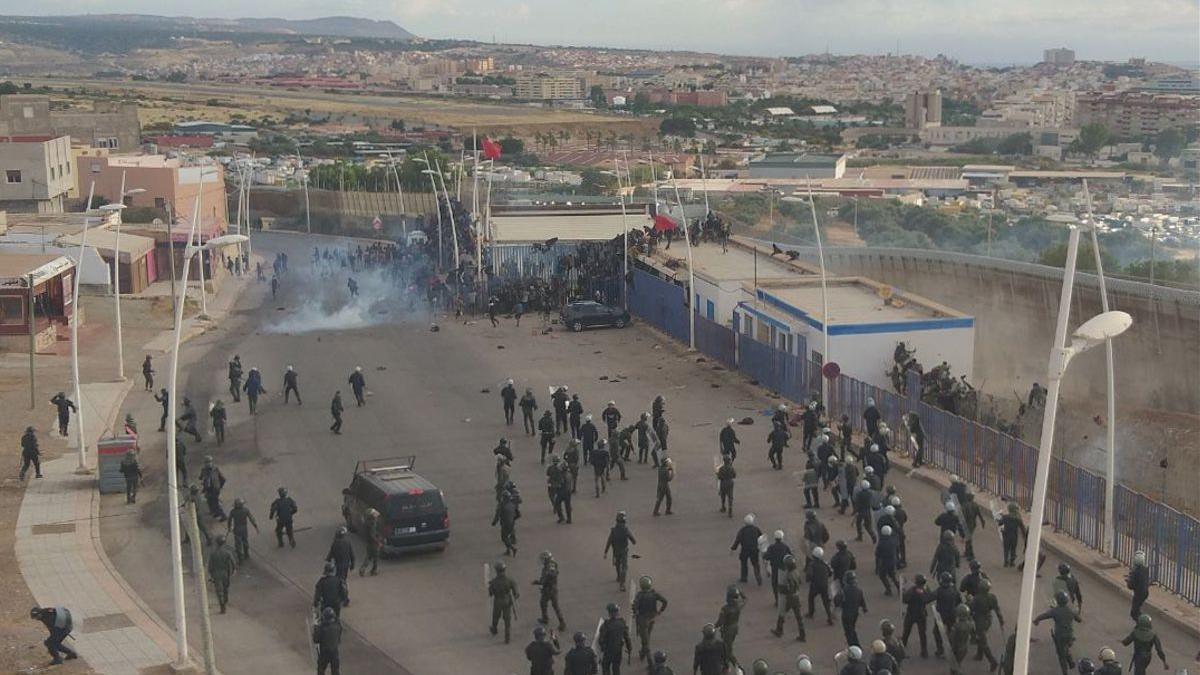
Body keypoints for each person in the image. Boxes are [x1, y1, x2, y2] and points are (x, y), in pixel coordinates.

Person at [1033, 591, 1082, 675]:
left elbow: (1044, 616)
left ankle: (1065, 672)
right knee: (1065, 647)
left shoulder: (1055, 611)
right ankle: (1070, 661)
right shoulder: (1070, 610)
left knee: (1061, 655)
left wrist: (1036, 620)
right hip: (1070, 635)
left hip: (1060, 636)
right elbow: (1079, 620)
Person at [969, 577, 1003, 670]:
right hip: (988, 619)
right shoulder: (992, 597)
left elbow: (971, 610)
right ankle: (979, 654)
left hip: (979, 620)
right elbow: (997, 610)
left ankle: (992, 661)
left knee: (982, 640)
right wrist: (1001, 620)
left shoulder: (977, 598)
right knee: (981, 637)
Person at [632, 576, 668, 662]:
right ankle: (643, 652)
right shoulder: (654, 594)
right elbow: (665, 601)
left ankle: (650, 661)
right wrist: (660, 611)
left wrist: (635, 611)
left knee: (645, 640)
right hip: (652, 618)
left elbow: (635, 607)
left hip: (642, 619)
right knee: (647, 637)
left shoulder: (640, 595)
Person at [901, 574, 938, 658]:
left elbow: (905, 600)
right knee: (922, 634)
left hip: (911, 613)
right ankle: (924, 651)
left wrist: (903, 592)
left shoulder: (912, 590)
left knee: (906, 632)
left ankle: (902, 650)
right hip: (921, 614)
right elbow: (929, 598)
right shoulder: (925, 589)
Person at [772, 555, 806, 641]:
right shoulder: (796, 572)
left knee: (782, 612)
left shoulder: (788, 575)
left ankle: (779, 630)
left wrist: (781, 588)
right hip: (796, 596)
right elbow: (799, 582)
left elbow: (787, 588)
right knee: (798, 616)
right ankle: (802, 634)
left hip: (790, 597)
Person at [534, 550, 567, 630]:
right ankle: (561, 622)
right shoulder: (550, 565)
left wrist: (541, 583)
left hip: (548, 589)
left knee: (545, 603)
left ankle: (548, 619)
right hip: (552, 588)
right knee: (552, 605)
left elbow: (550, 576)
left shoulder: (551, 565)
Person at [603, 511, 636, 592]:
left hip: (616, 551)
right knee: (624, 567)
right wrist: (633, 541)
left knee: (617, 564)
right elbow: (633, 540)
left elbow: (609, 541)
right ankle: (622, 584)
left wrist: (605, 552)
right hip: (624, 551)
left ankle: (618, 576)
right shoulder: (625, 530)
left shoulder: (613, 530)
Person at [714, 585, 746, 667]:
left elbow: (720, 622)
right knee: (728, 647)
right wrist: (740, 592)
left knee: (728, 649)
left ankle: (735, 665)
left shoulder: (725, 609)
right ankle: (728, 663)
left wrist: (713, 626)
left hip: (727, 630)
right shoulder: (738, 606)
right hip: (734, 629)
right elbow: (745, 599)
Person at [488, 561, 520, 643]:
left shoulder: (494, 582)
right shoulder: (510, 580)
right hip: (507, 601)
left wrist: (490, 587)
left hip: (498, 601)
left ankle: (494, 629)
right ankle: (507, 637)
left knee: (495, 616)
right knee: (507, 619)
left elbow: (491, 594)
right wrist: (513, 597)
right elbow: (516, 593)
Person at [834, 570, 868, 647]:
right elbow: (862, 601)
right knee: (852, 629)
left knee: (848, 632)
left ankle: (853, 647)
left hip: (846, 614)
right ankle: (856, 644)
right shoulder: (859, 590)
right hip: (855, 613)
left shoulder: (843, 591)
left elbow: (837, 603)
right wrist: (864, 608)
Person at [598, 602, 632, 675]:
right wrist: (629, 647)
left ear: (609, 613)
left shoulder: (606, 625)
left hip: (608, 651)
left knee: (605, 667)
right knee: (616, 668)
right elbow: (627, 637)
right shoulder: (622, 622)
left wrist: (602, 648)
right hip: (618, 651)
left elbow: (601, 640)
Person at [207, 534, 237, 613]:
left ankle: (222, 605)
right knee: (225, 587)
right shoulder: (227, 553)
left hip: (216, 573)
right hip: (225, 573)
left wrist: (211, 575)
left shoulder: (213, 554)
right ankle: (226, 599)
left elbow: (210, 566)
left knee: (219, 590)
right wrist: (233, 570)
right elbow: (233, 562)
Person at [804, 546, 834, 625]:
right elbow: (831, 572)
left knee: (811, 598)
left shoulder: (812, 564)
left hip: (815, 585)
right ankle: (830, 618)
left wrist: (809, 579)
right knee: (826, 602)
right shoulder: (825, 563)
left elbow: (809, 575)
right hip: (824, 585)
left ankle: (811, 613)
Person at [731, 514, 763, 585]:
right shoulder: (756, 529)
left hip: (745, 549)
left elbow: (738, 540)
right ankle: (758, 577)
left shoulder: (742, 530)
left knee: (744, 563)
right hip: (754, 549)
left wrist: (733, 548)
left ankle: (744, 577)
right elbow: (761, 538)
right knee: (755, 564)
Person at [225, 497, 259, 563]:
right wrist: (255, 526)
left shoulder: (233, 511)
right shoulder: (246, 510)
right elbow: (251, 518)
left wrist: (229, 527)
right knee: (245, 541)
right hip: (244, 528)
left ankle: (240, 558)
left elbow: (229, 520)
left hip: (237, 528)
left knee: (238, 544)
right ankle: (246, 554)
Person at [763, 530, 792, 606]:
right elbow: (790, 556)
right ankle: (786, 600)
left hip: (775, 569)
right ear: (782, 538)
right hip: (784, 568)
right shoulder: (785, 547)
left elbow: (766, 557)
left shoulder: (771, 547)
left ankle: (777, 600)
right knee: (785, 584)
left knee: (775, 586)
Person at [312, 606, 343, 675]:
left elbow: (316, 640)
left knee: (321, 669)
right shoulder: (338, 626)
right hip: (335, 652)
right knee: (335, 670)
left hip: (325, 652)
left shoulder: (322, 629)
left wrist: (316, 627)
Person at [948, 604, 977, 675]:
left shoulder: (956, 626)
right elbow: (974, 633)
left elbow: (951, 637)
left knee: (955, 663)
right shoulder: (970, 624)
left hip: (956, 647)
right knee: (958, 662)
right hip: (964, 647)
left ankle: (956, 672)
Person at [998, 502, 1027, 567]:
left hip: (1006, 535)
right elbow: (1022, 528)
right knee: (1013, 549)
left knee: (1006, 549)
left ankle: (1006, 562)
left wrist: (1001, 516)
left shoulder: (1005, 517)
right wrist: (1025, 536)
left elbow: (1000, 523)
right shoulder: (1017, 518)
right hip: (1014, 536)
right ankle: (1012, 562)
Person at [493, 488, 520, 556]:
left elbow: (497, 515)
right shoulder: (512, 504)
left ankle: (512, 548)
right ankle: (508, 551)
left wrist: (494, 522)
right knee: (507, 536)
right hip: (511, 523)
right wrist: (513, 519)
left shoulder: (501, 505)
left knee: (504, 537)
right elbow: (518, 514)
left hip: (505, 523)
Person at [875, 525, 900, 596]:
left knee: (882, 576)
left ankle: (888, 590)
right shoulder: (893, 540)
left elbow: (877, 554)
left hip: (885, 562)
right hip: (893, 560)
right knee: (893, 575)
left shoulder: (881, 543)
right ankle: (899, 588)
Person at [199, 456, 227, 520]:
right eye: (206, 462)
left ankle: (223, 516)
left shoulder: (215, 469)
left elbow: (223, 479)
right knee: (209, 501)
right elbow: (201, 477)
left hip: (215, 489)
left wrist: (220, 486)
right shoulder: (203, 470)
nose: (208, 464)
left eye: (209, 462)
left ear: (211, 462)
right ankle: (215, 512)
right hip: (208, 488)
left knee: (215, 502)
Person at [1126, 551, 1150, 621]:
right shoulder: (1145, 569)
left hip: (1138, 594)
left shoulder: (1135, 571)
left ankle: (1144, 624)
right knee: (1137, 609)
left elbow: (1130, 585)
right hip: (1145, 593)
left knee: (1134, 613)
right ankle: (1141, 624)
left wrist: (1129, 581)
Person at [359, 508, 382, 576]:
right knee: (375, 557)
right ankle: (373, 570)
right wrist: (378, 542)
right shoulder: (372, 524)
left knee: (368, 556)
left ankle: (362, 569)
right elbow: (372, 535)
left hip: (369, 542)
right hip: (373, 543)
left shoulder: (366, 522)